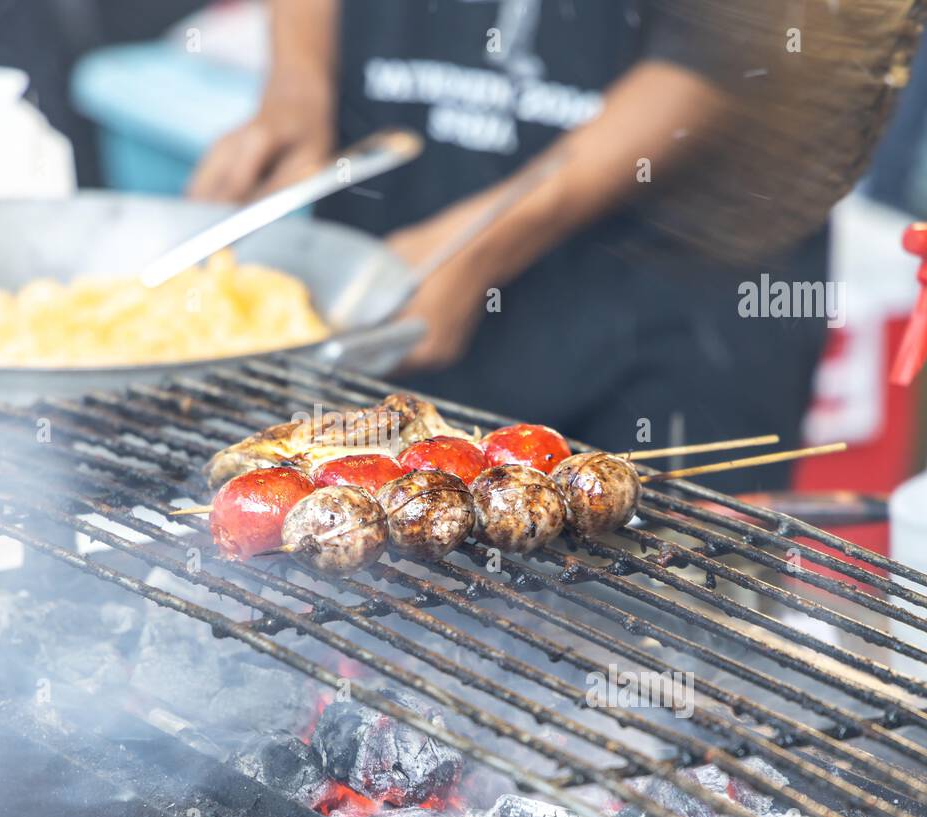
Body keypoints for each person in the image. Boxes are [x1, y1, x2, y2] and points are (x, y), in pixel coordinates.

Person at [188, 0, 832, 492]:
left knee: (666, 616)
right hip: (406, 201)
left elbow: (746, 40)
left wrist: (486, 242)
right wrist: (298, 83)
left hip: (672, 288)